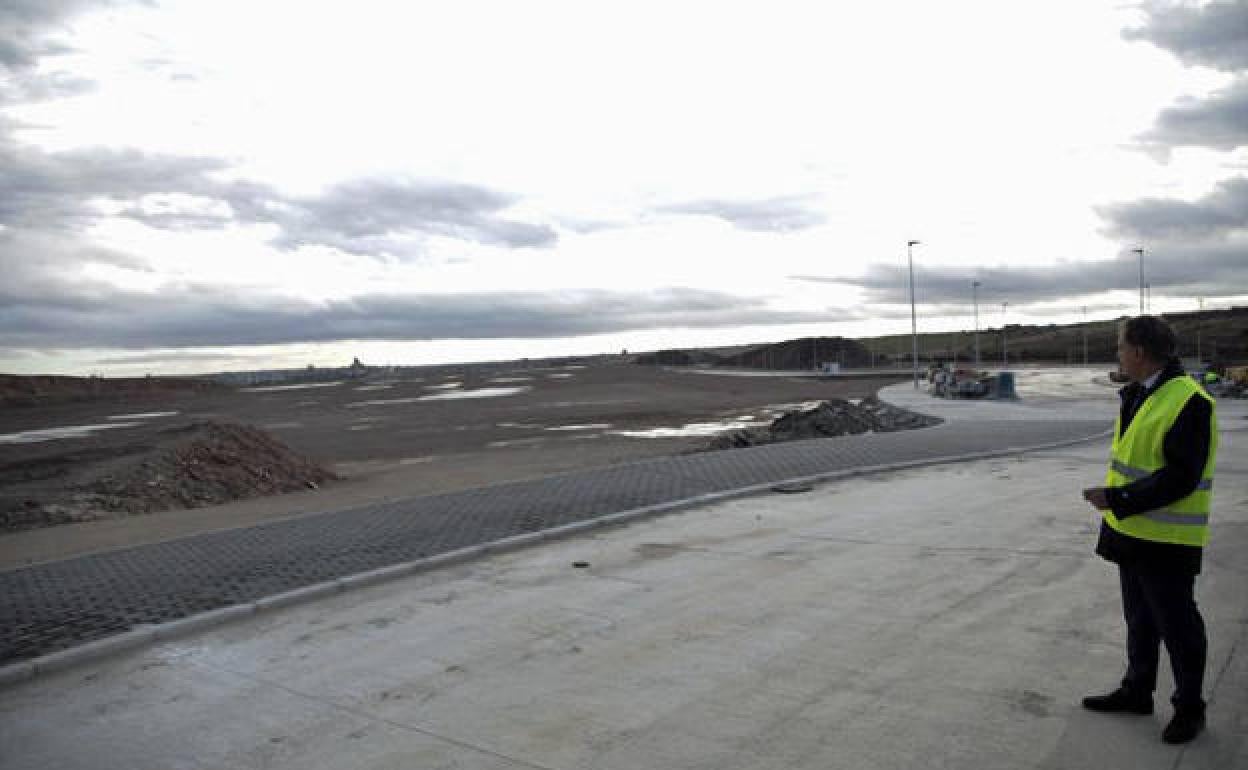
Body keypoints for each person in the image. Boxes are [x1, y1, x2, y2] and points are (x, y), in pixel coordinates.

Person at [1081, 315, 1218, 744]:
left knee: (1178, 627)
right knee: (1139, 619)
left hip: (1167, 539)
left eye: (1121, 347)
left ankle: (1189, 709)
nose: (1117, 354)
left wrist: (1118, 499)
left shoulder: (1189, 400)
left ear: (1139, 351)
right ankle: (1138, 690)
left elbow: (1181, 476)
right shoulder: (1140, 393)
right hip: (1133, 532)